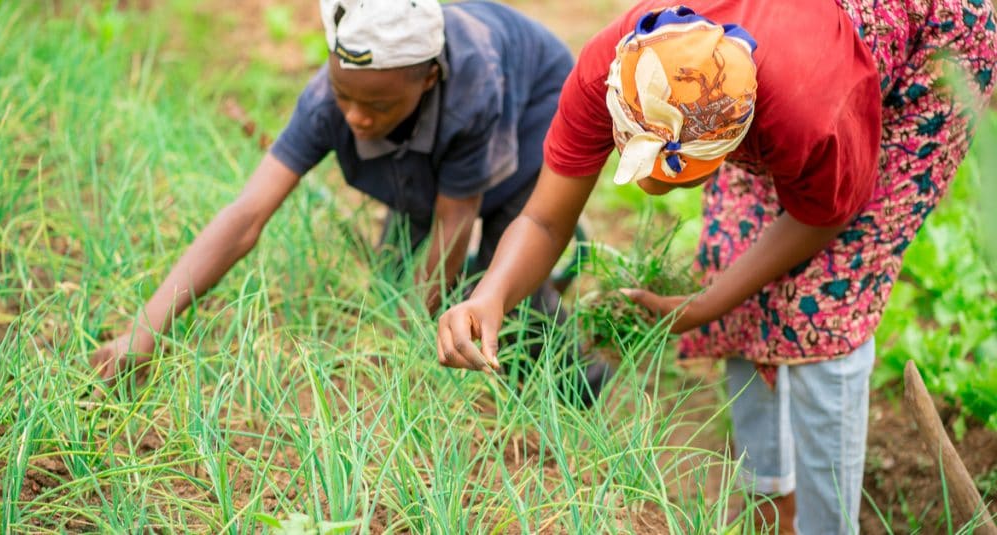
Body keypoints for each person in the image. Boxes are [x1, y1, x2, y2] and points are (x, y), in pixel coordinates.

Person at [437, 1, 996, 533]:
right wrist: (491, 296)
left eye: (677, 173)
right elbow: (545, 220)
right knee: (733, 253)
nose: (651, 188)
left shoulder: (810, 112)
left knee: (826, 299)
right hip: (780, 59)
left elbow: (824, 216)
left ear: (734, 138)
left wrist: (702, 305)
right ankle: (770, 504)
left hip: (929, 48)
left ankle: (827, 526)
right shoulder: (626, 72)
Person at [92, 0, 609, 406]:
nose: (357, 116)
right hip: (436, 130)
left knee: (505, 276)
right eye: (346, 95)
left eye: (377, 104)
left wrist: (404, 342)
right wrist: (145, 329)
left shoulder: (472, 88)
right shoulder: (326, 101)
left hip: (531, 111)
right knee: (398, 265)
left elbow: (455, 221)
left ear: (428, 78)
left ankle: (574, 378)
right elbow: (246, 216)